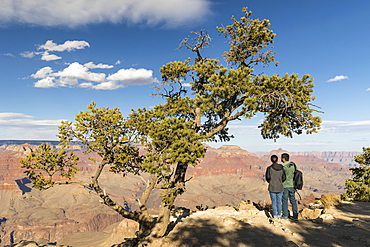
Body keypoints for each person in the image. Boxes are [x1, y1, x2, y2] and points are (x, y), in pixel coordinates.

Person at [265, 154, 286, 219]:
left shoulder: (269, 168)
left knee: (273, 202)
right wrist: (280, 182)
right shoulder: (282, 168)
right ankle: (279, 216)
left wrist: (271, 182)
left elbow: (267, 178)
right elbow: (284, 178)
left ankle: (274, 216)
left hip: (272, 187)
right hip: (280, 187)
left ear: (271, 160)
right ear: (277, 160)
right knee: (279, 201)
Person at [281, 153, 298, 221]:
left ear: (283, 159)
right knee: (293, 201)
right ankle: (295, 216)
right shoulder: (293, 165)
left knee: (285, 201)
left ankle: (285, 216)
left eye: (282, 158)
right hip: (292, 185)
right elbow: (296, 173)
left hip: (284, 186)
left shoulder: (282, 167)